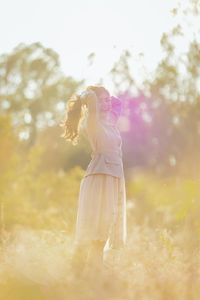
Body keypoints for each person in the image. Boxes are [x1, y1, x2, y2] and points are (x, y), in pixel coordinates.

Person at [60, 85, 127, 275]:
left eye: (107, 100)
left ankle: (96, 269)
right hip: (99, 177)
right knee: (92, 226)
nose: (108, 103)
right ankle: (78, 269)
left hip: (114, 178)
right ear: (94, 104)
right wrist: (87, 97)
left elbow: (118, 102)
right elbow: (91, 102)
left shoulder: (111, 121)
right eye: (102, 100)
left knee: (105, 225)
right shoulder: (92, 122)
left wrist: (103, 97)